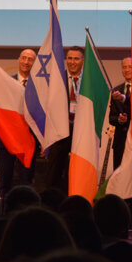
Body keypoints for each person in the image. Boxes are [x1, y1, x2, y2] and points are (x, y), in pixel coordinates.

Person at [0, 49, 37, 201]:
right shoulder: (6, 84)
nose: (26, 62)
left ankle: (23, 214)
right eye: (24, 58)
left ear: (34, 63)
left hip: (28, 141)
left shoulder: (40, 87)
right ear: (19, 60)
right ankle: (3, 213)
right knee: (4, 181)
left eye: (30, 59)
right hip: (6, 139)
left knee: (25, 182)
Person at [46, 46, 84, 193]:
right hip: (59, 132)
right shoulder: (56, 79)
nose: (72, 62)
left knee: (76, 174)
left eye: (76, 58)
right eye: (69, 58)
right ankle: (51, 207)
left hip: (80, 132)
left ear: (82, 61)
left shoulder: (89, 82)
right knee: (54, 173)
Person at [109, 57, 132, 169]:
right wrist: (119, 119)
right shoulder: (116, 90)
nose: (127, 70)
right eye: (124, 67)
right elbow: (111, 118)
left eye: (130, 67)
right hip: (120, 142)